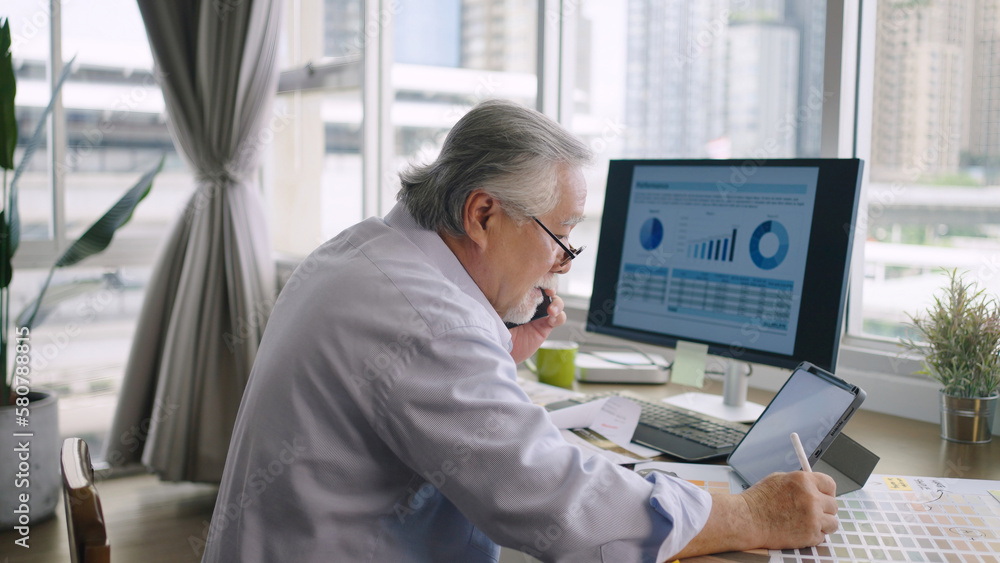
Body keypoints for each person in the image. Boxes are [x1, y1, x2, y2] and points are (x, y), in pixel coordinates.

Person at [201, 99, 838, 562]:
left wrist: (498, 351)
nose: (563, 263)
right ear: (483, 214)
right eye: (561, 238)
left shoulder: (365, 252)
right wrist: (750, 513)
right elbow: (559, 507)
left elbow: (411, 401)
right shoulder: (429, 322)